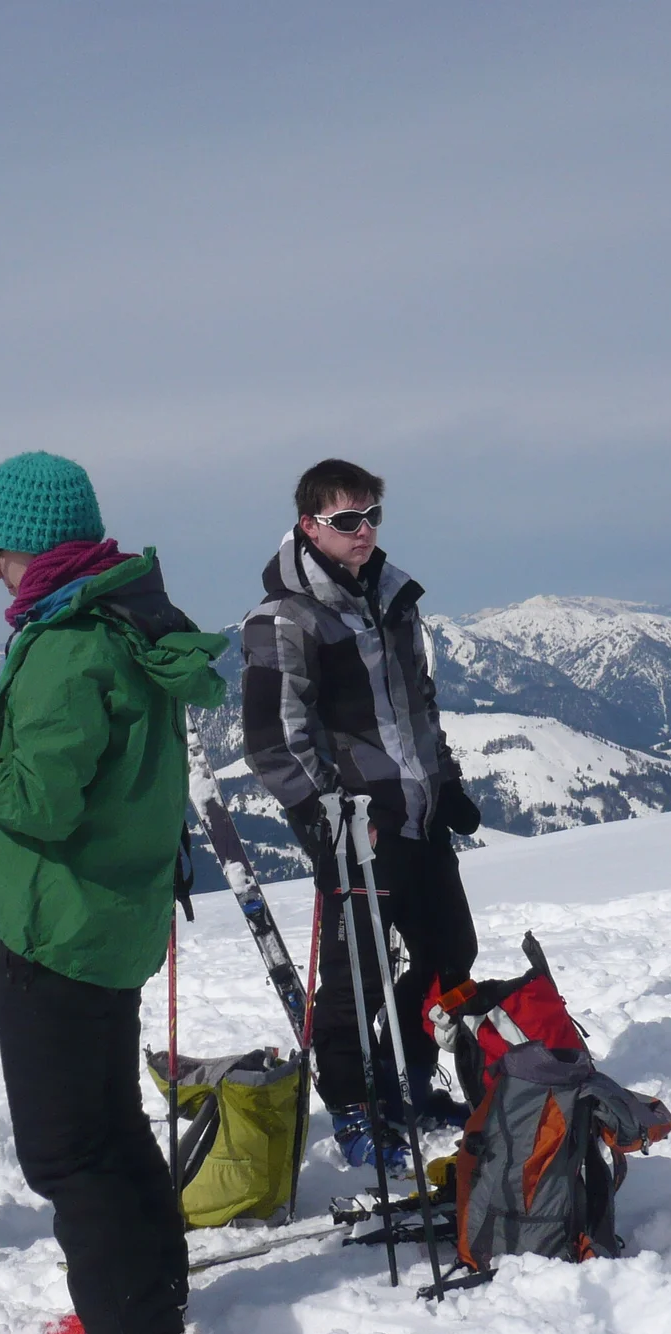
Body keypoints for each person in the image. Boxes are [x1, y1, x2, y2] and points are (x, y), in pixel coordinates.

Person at [0, 451, 224, 1334]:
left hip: (58, 928)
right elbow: (84, 758)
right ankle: (150, 1311)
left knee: (65, 1150)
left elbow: (40, 803)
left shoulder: (67, 643)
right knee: (111, 1128)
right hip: (109, 922)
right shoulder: (117, 621)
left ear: (31, 547)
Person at [239, 458, 483, 1173]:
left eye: (372, 514)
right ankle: (350, 1103)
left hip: (418, 815)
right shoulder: (285, 618)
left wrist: (448, 782)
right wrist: (323, 818)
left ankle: (402, 1077)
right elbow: (272, 737)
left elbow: (418, 707)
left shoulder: (392, 600)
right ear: (310, 525)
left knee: (450, 956)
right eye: (347, 519)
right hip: (357, 826)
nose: (364, 530)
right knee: (355, 977)